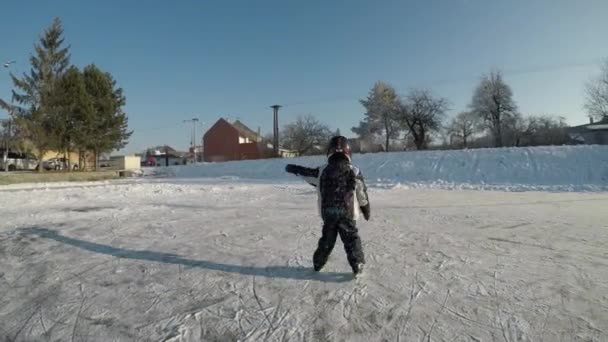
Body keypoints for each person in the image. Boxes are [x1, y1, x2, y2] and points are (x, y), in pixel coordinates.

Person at [285, 136, 370, 276]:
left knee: (327, 238)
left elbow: (307, 173)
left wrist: (294, 168)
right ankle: (357, 263)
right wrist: (365, 208)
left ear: (329, 152)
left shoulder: (322, 170)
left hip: (328, 212)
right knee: (351, 238)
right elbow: (361, 193)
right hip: (347, 213)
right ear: (348, 152)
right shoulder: (354, 171)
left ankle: (318, 262)